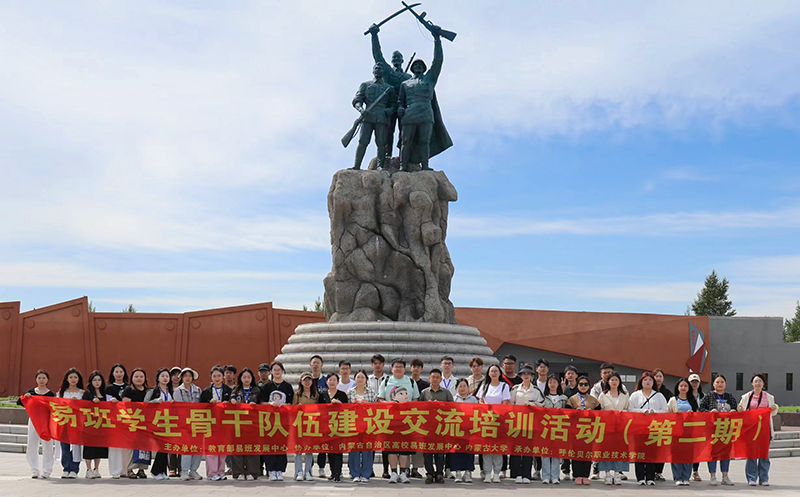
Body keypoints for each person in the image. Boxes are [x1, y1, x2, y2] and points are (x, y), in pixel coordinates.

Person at [397, 27, 451, 171]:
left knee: (424, 141)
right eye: (416, 65)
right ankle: (402, 166)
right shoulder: (405, 84)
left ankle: (425, 166)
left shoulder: (429, 79)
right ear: (412, 68)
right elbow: (400, 101)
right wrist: (400, 108)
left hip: (426, 113)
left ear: (424, 68)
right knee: (406, 141)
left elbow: (438, 61)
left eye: (421, 65)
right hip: (410, 114)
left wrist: (437, 39)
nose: (418, 66)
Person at [367, 23, 411, 160]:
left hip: (403, 107)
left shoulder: (408, 77)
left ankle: (404, 157)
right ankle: (387, 155)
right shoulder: (388, 72)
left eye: (398, 58)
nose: (396, 60)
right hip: (389, 106)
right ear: (392, 61)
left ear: (402, 60)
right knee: (387, 131)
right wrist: (374, 36)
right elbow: (377, 55)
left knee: (404, 132)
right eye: (394, 58)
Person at [350, 63, 395, 170]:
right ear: (373, 71)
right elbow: (357, 100)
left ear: (383, 72)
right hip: (367, 117)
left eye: (380, 69)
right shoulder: (365, 85)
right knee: (362, 142)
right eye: (376, 68)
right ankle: (357, 165)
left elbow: (394, 104)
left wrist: (390, 110)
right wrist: (361, 110)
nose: (378, 70)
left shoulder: (389, 88)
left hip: (382, 118)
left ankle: (380, 166)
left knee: (381, 143)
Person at [738, 373, 778, 486]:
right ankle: (751, 478)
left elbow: (773, 412)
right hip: (751, 430)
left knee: (764, 454)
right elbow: (741, 409)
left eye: (760, 381)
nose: (758, 383)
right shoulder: (746, 397)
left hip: (765, 430)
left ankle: (764, 478)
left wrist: (774, 408)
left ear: (764, 384)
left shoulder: (769, 397)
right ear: (752, 383)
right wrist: (740, 408)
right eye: (756, 381)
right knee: (751, 454)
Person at [629, 371, 668, 485]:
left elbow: (665, 410)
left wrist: (654, 412)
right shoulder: (635, 395)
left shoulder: (659, 396)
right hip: (639, 428)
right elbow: (630, 409)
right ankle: (640, 477)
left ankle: (650, 477)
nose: (648, 382)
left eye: (650, 380)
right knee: (639, 453)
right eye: (645, 380)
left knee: (652, 453)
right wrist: (642, 411)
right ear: (641, 382)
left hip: (654, 428)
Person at [258, 361, 294, 481]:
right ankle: (271, 470)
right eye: (275, 370)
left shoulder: (287, 386)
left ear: (282, 371)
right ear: (271, 372)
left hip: (283, 421)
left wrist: (286, 406)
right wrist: (270, 404)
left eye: (279, 370)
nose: (277, 372)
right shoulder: (267, 386)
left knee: (281, 445)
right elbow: (261, 402)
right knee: (269, 445)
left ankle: (279, 470)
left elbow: (291, 403)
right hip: (269, 421)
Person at [699, 373, 737, 486]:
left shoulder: (729, 396)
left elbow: (735, 407)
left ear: (725, 384)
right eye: (717, 382)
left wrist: (734, 411)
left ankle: (725, 476)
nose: (720, 384)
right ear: (713, 384)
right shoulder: (709, 396)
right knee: (713, 453)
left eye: (722, 382)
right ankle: (713, 476)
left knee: (726, 453)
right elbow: (700, 409)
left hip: (726, 430)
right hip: (713, 430)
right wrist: (709, 412)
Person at [18, 370, 56, 479]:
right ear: (36, 380)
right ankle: (34, 469)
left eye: (44, 378)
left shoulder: (50, 394)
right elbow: (20, 402)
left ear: (47, 380)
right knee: (32, 444)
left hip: (46, 422)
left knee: (47, 445)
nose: (41, 380)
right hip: (34, 421)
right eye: (39, 378)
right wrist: (26, 397)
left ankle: (47, 470)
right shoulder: (32, 392)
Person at [419, 368, 453, 484]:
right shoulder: (424, 393)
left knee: (440, 452)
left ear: (441, 379)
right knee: (427, 453)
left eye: (437, 377)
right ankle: (429, 473)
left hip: (441, 427)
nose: (435, 379)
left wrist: (442, 406)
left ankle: (439, 473)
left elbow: (453, 408)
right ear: (429, 378)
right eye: (433, 377)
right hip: (427, 427)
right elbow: (418, 408)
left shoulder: (446, 392)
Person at [476, 364, 510, 483]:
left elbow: (505, 402)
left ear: (500, 373)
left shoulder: (504, 386)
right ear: (488, 373)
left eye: (496, 371)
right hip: (486, 421)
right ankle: (487, 473)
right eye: (492, 371)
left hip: (499, 421)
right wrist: (487, 410)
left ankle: (496, 473)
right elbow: (480, 401)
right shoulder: (484, 386)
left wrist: (497, 413)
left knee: (497, 448)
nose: (494, 373)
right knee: (486, 449)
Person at [509, 364, 542, 484]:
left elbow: (542, 405)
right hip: (517, 423)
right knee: (517, 449)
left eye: (528, 374)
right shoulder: (515, 389)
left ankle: (526, 474)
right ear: (521, 376)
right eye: (524, 374)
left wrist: (532, 405)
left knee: (528, 450)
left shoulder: (536, 391)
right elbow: (510, 404)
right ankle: (517, 474)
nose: (526, 376)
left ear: (532, 376)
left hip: (531, 423)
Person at [199, 365, 232, 481]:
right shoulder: (206, 391)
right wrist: (209, 403)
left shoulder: (228, 390)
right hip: (210, 423)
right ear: (211, 377)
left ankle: (220, 471)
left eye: (219, 376)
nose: (217, 378)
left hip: (224, 423)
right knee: (212, 448)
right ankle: (212, 473)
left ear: (223, 377)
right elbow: (200, 406)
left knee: (222, 449)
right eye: (214, 376)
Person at [566, 375, 600, 485]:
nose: (583, 386)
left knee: (587, 453)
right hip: (576, 430)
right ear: (577, 386)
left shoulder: (594, 400)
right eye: (581, 384)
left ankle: (585, 475)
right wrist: (575, 411)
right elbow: (566, 414)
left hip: (589, 431)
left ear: (589, 386)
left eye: (586, 384)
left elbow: (600, 414)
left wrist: (592, 413)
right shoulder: (572, 399)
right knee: (576, 453)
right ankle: (577, 475)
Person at [597, 372, 629, 485]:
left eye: (616, 380)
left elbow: (628, 409)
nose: (614, 382)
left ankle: (617, 473)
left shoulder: (624, 395)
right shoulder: (603, 395)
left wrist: (622, 412)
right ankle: (607, 474)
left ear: (619, 382)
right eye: (612, 380)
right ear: (608, 382)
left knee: (619, 450)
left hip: (621, 427)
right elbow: (599, 410)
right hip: (607, 427)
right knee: (606, 450)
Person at [230, 367, 261, 480]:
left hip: (252, 423)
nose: (246, 379)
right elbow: (231, 399)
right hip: (238, 423)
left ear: (252, 378)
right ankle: (238, 472)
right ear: (240, 378)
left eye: (249, 377)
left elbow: (260, 403)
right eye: (244, 377)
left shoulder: (256, 390)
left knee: (251, 447)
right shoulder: (236, 390)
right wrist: (232, 401)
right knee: (238, 447)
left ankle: (252, 472)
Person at [144, 367, 175, 481]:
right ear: (158, 378)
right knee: (161, 446)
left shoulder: (171, 391)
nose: (165, 378)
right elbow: (145, 404)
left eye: (167, 376)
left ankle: (162, 471)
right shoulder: (152, 391)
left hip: (167, 422)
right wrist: (156, 401)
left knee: (166, 447)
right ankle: (155, 471)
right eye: (163, 376)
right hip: (156, 422)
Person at [667, 377, 699, 486]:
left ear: (688, 388)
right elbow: (667, 414)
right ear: (678, 387)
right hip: (676, 431)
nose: (683, 388)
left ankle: (686, 477)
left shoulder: (692, 400)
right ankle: (677, 477)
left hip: (689, 431)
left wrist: (692, 414)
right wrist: (675, 415)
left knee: (687, 455)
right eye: (681, 386)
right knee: (676, 454)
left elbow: (698, 415)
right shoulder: (673, 400)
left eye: (685, 386)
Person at [347, 369, 377, 483]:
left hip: (367, 425)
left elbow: (376, 409)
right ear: (355, 379)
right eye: (358, 377)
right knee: (354, 449)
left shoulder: (371, 392)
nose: (360, 379)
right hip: (353, 424)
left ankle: (366, 474)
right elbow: (345, 408)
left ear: (366, 380)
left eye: (362, 377)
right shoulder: (350, 392)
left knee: (367, 450)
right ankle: (354, 473)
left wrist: (367, 406)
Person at [174, 367, 203, 481]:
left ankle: (194, 470)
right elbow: (180, 407)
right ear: (181, 378)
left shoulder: (198, 390)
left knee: (197, 447)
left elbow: (201, 405)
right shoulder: (178, 390)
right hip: (184, 423)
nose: (187, 378)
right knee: (186, 447)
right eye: (185, 376)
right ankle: (184, 471)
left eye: (189, 376)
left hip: (197, 422)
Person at [121, 368, 149, 478]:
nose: (139, 379)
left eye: (141, 376)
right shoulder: (128, 390)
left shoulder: (148, 391)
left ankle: (142, 469)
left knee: (144, 446)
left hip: (145, 422)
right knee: (130, 447)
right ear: (132, 378)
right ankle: (129, 469)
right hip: (131, 421)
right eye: (136, 376)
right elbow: (126, 405)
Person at [81, 371, 109, 479]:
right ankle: (88, 469)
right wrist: (91, 402)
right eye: (94, 380)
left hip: (101, 425)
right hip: (89, 424)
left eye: (99, 380)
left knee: (99, 447)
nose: (97, 382)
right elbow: (82, 406)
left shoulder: (105, 394)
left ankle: (96, 469)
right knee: (89, 447)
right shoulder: (87, 393)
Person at [293, 372, 321, 481]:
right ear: (301, 382)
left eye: (309, 380)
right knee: (298, 450)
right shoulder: (297, 395)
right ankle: (298, 472)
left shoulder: (316, 395)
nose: (307, 382)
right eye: (305, 380)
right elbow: (292, 409)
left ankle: (308, 471)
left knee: (309, 449)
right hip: (300, 424)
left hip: (311, 424)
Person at [57, 367, 84, 479]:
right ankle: (66, 468)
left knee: (76, 447)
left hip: (77, 424)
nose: (73, 379)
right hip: (64, 423)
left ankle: (74, 469)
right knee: (65, 447)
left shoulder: (82, 392)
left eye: (75, 377)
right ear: (67, 379)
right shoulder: (61, 393)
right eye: (71, 377)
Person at [541, 373, 568, 485]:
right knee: (545, 453)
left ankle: (555, 476)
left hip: (558, 428)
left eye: (554, 382)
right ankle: (546, 476)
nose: (552, 384)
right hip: (545, 429)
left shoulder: (564, 399)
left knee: (556, 454)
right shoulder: (543, 397)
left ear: (558, 384)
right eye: (550, 382)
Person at [105, 363, 129, 479]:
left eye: (121, 371)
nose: (119, 374)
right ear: (113, 374)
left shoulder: (129, 387)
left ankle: (125, 470)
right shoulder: (109, 388)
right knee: (114, 446)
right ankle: (115, 471)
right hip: (113, 420)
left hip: (127, 420)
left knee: (126, 446)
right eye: (116, 372)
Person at [323, 373, 349, 482]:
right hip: (326, 426)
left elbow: (347, 409)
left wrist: (340, 404)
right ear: (326, 382)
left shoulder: (342, 394)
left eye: (334, 380)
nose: (332, 382)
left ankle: (338, 473)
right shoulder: (323, 395)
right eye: (330, 380)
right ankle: (332, 472)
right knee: (330, 451)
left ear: (338, 382)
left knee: (338, 450)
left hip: (339, 426)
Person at [451, 378, 476, 483]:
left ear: (468, 387)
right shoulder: (454, 399)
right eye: (460, 386)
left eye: (464, 386)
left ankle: (468, 472)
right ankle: (457, 472)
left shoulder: (473, 399)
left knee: (469, 451)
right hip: (457, 430)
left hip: (470, 429)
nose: (462, 388)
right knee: (457, 451)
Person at [386, 386, 412, 484]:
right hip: (392, 432)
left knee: (404, 451)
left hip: (405, 432)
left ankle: (403, 472)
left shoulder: (410, 407)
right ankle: (393, 472)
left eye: (406, 393)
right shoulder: (390, 407)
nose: (405, 396)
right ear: (394, 397)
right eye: (401, 394)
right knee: (392, 451)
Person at [650, 368, 672, 481]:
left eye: (660, 376)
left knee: (661, 449)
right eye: (656, 376)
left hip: (663, 425)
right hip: (648, 424)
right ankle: (650, 471)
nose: (658, 378)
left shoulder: (667, 392)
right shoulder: (647, 390)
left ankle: (659, 472)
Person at [560, 365, 579, 481]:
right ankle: (565, 470)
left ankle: (576, 471)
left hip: (578, 422)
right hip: (565, 422)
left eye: (572, 373)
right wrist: (562, 390)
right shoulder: (564, 388)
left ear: (576, 375)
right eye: (568, 373)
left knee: (576, 447)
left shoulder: (581, 387)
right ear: (565, 376)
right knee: (565, 446)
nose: (570, 375)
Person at [166, 366, 182, 477]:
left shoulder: (183, 389)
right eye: (174, 375)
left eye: (178, 375)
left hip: (182, 419)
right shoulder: (167, 389)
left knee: (181, 444)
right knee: (171, 444)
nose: (176, 377)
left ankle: (181, 468)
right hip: (169, 419)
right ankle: (172, 468)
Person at [688, 373, 705, 481]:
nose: (694, 384)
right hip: (687, 426)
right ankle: (686, 472)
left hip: (700, 426)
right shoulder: (686, 395)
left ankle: (695, 471)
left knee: (697, 450)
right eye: (692, 382)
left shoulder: (703, 396)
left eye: (696, 382)